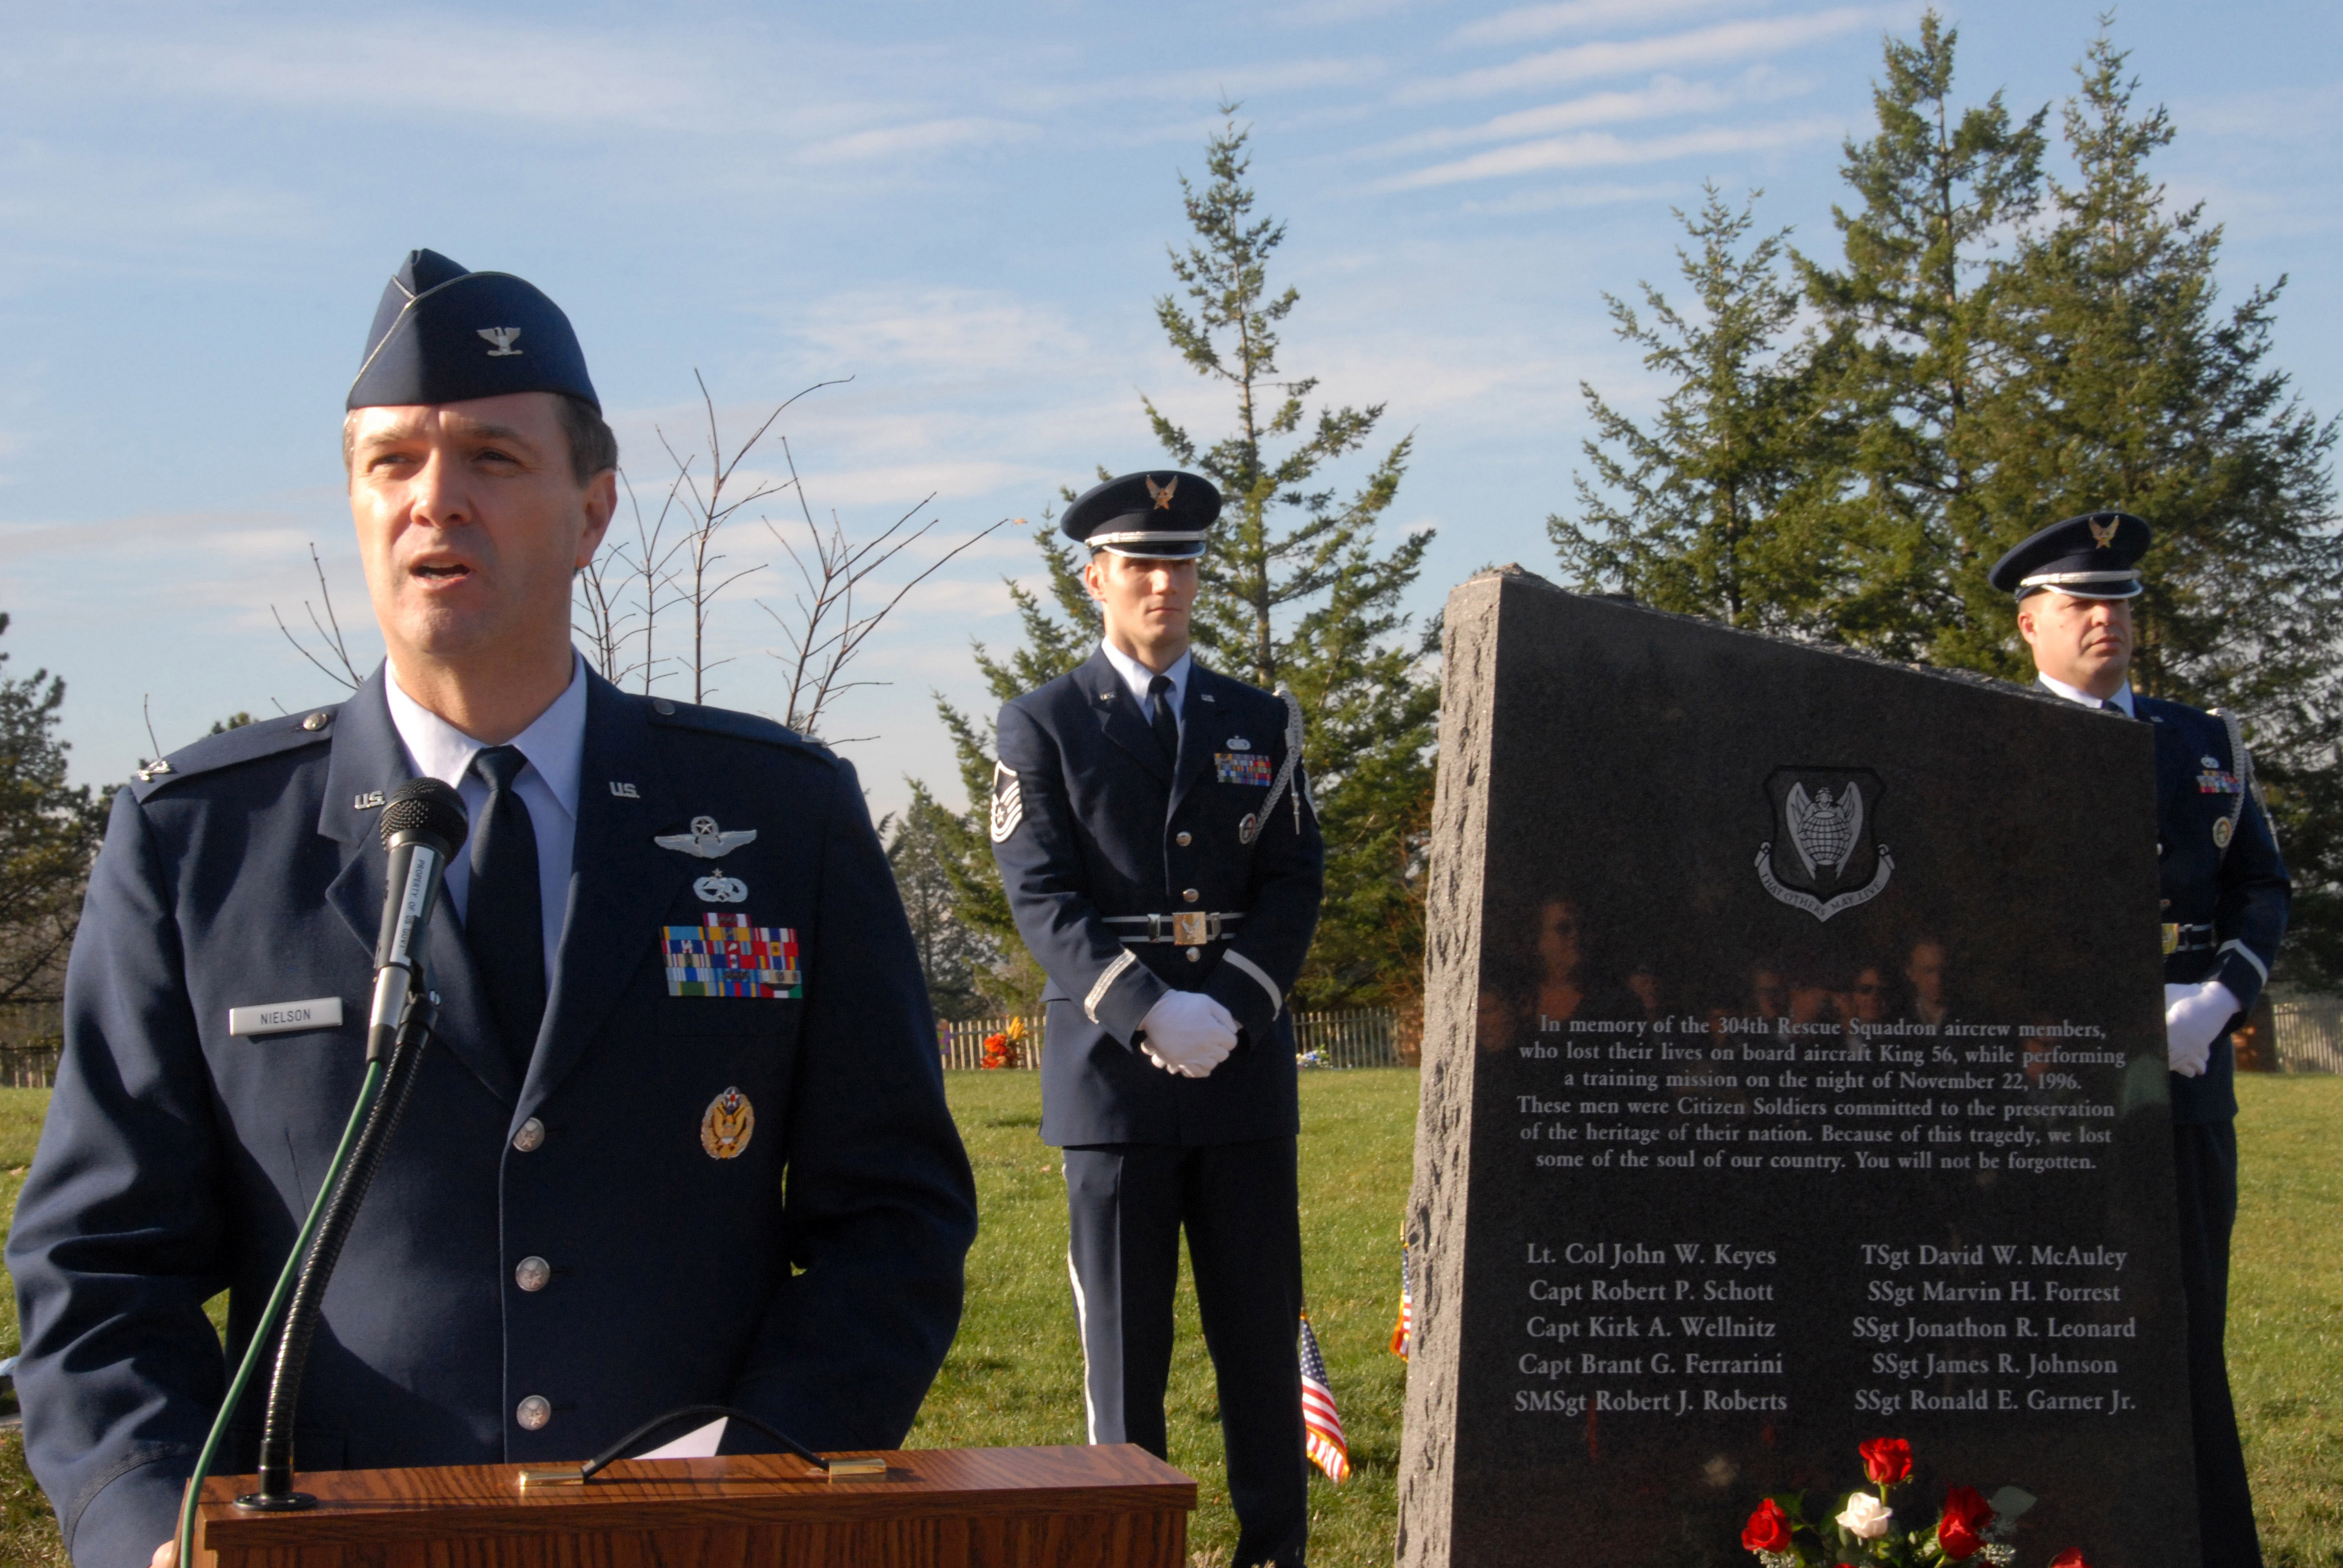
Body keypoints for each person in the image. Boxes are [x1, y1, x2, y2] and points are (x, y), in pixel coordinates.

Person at [5, 249, 977, 1568]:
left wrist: (757, 1479)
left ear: (593, 512)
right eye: (391, 464)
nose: (432, 504)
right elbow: (99, 1272)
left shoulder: (780, 816)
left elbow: (893, 1217)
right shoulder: (200, 846)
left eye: (491, 461)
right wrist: (159, 1533)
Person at [989, 471, 1325, 1568]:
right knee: (1125, 1355)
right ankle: (1134, 1553)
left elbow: (1293, 881)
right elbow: (1040, 893)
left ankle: (1275, 1551)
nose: (1161, 586)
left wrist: (1227, 1005)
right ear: (1096, 579)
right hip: (1113, 1081)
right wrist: (1145, 1009)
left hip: (1239, 1068)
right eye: (1139, 565)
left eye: (1179, 565)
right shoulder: (1039, 723)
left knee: (1259, 1347)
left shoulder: (1260, 720)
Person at [1989, 511, 2289, 1568]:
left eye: (2117, 603)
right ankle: (2041, 1534)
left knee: (2184, 1332)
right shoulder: (1986, 746)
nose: (2105, 621)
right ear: (2031, 626)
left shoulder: (2203, 741)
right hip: (2047, 1086)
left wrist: (2217, 1005)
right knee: (2055, 1333)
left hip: (2187, 1078)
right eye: (2079, 605)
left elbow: (2263, 888)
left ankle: (2203, 1544)